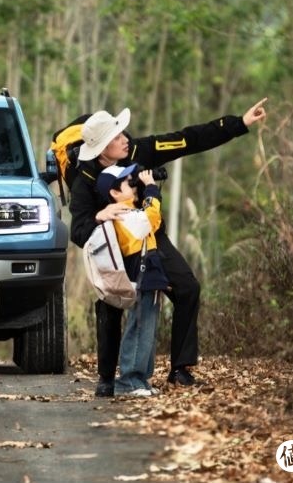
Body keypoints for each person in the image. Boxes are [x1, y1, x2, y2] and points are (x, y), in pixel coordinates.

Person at [69, 98, 268, 397]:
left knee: (187, 288)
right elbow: (78, 231)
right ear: (101, 149)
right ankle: (107, 378)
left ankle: (180, 369)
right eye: (117, 137)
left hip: (150, 237)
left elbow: (187, 140)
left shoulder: (138, 150)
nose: (125, 139)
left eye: (123, 133)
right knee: (110, 306)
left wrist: (238, 124)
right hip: (113, 248)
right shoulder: (83, 180)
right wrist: (99, 216)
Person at [96, 164, 171, 397]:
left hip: (149, 273)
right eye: (129, 182)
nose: (134, 183)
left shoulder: (130, 211)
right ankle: (129, 380)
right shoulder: (120, 214)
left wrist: (148, 191)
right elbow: (150, 218)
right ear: (114, 193)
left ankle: (141, 379)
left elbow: (153, 222)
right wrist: (150, 189)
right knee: (139, 327)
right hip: (140, 275)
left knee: (147, 327)